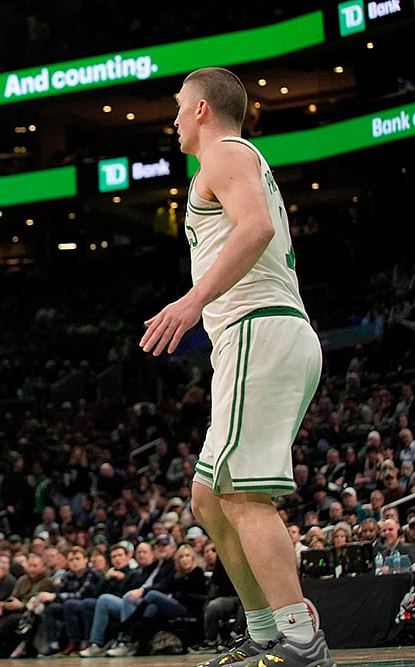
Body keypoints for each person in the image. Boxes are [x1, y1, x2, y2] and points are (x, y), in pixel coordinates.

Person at [140, 67, 333, 667]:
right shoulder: (230, 160)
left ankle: (300, 638)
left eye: (178, 107)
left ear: (201, 109)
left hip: (260, 330)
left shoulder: (223, 153)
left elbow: (257, 227)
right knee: (206, 497)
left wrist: (193, 301)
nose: (173, 119)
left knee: (245, 496)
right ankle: (266, 633)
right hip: (260, 336)